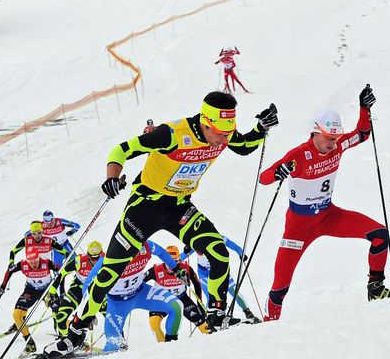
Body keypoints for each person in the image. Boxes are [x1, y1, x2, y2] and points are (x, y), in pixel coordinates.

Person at [42, 90, 278, 358]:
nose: (224, 139)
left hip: (178, 207)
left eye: (228, 133)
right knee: (110, 273)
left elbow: (244, 146)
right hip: (145, 207)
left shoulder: (223, 131)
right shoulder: (171, 134)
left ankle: (216, 315)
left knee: (218, 251)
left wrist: (261, 128)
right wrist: (112, 177)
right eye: (220, 134)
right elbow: (122, 149)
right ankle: (75, 332)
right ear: (205, 120)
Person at [259, 85, 390, 321]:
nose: (333, 144)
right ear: (315, 133)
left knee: (381, 234)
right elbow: (265, 178)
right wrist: (278, 171)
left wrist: (364, 108)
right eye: (329, 139)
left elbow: (362, 134)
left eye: (336, 139)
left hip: (329, 216)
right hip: (298, 227)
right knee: (280, 286)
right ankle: (269, 326)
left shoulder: (338, 145)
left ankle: (376, 288)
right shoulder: (299, 155)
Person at [83, 240, 182, 352]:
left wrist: (176, 269)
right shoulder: (110, 256)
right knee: (113, 345)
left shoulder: (147, 246)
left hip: (141, 293)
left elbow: (161, 252)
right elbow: (87, 284)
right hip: (117, 303)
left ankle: (171, 349)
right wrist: (88, 314)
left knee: (176, 306)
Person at [0, 247, 60, 354]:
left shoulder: (46, 263)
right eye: (31, 262)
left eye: (35, 261)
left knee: (59, 314)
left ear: (39, 258)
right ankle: (29, 342)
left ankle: (69, 336)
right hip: (31, 291)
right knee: (16, 315)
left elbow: (62, 272)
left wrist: (54, 290)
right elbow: (10, 270)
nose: (33, 264)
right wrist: (2, 287)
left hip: (47, 291)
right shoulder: (23, 264)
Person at [183, 236, 261, 323]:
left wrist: (241, 253)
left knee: (234, 292)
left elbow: (235, 247)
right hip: (205, 274)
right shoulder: (197, 240)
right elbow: (183, 255)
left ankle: (248, 313)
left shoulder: (220, 238)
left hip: (221, 271)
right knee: (211, 298)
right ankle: (211, 320)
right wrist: (175, 263)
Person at [145, 245, 209, 341]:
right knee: (154, 324)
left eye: (175, 261)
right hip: (161, 301)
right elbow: (140, 282)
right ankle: (163, 348)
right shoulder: (156, 270)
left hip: (182, 299)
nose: (171, 265)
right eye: (168, 262)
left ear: (179, 260)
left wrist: (199, 303)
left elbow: (197, 284)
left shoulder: (185, 268)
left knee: (204, 326)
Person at [49, 241, 105, 337]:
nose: (95, 261)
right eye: (92, 258)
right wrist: (52, 292)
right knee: (61, 317)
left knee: (110, 315)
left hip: (97, 290)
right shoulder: (79, 260)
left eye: (97, 258)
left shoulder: (106, 260)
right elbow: (62, 273)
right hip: (78, 289)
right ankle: (66, 340)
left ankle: (117, 340)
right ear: (88, 255)